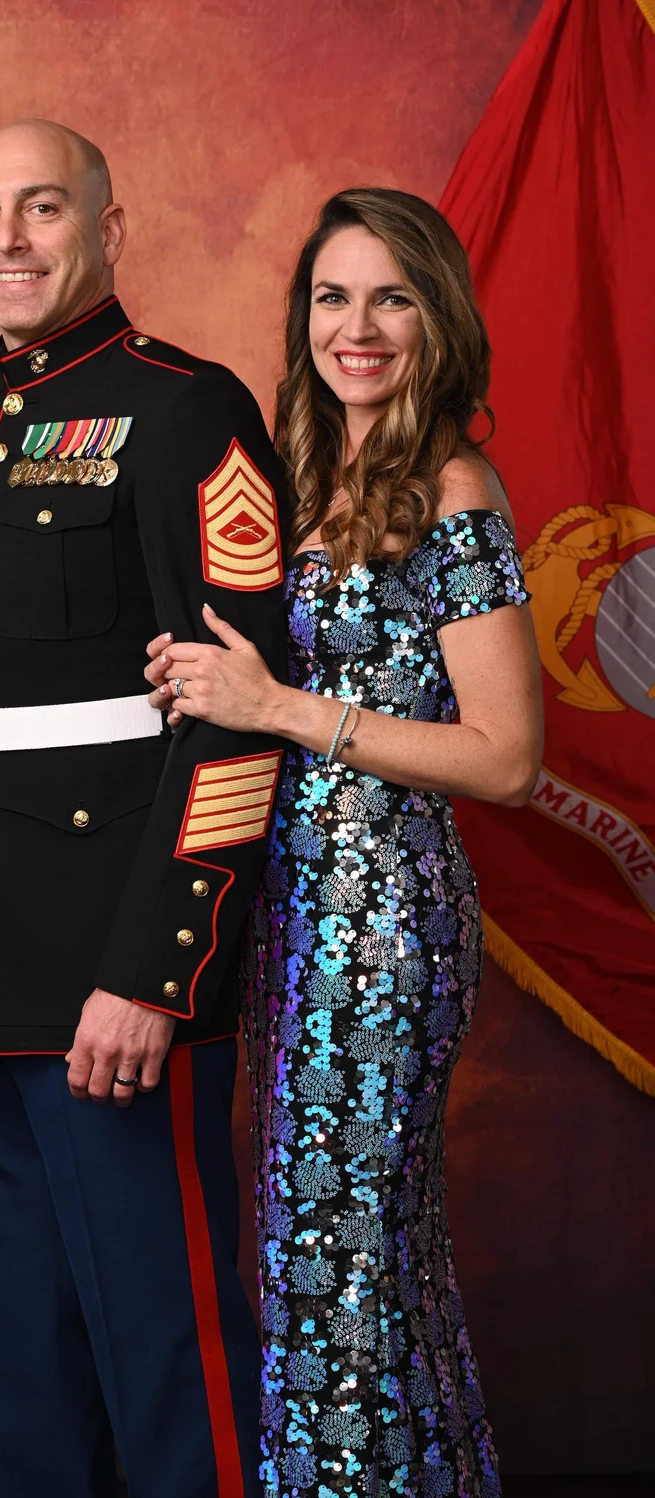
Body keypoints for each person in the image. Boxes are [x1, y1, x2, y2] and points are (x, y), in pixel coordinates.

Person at [0, 118, 290, 1497]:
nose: (7, 240)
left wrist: (156, 974)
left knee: (167, 1355)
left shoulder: (187, 409)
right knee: (19, 1374)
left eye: (40, 208)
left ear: (107, 224)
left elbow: (234, 723)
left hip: (115, 981)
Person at [145, 188, 543, 1498]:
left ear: (439, 320)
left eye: (391, 296)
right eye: (331, 295)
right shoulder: (304, 471)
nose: (356, 325)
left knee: (348, 1266)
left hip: (383, 930)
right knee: (322, 1258)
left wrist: (278, 705)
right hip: (292, 918)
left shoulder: (451, 483)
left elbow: (505, 754)